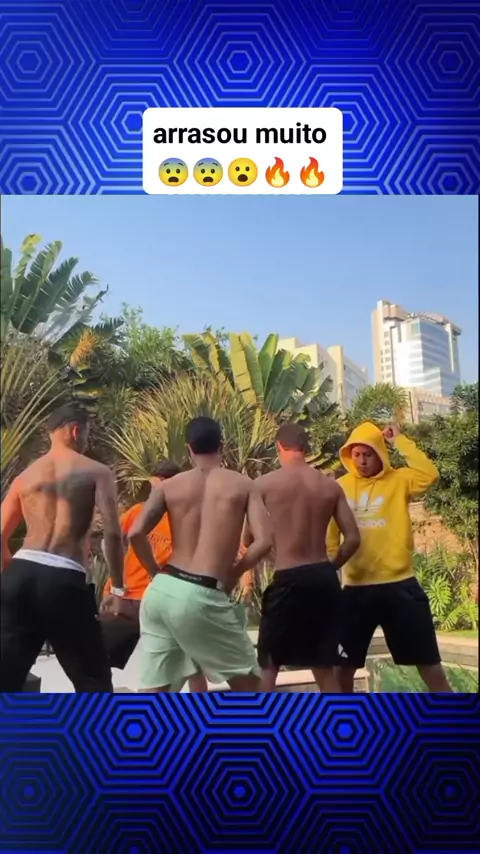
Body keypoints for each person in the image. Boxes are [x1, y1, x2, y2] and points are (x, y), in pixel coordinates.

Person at [128, 416, 272, 693]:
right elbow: (264, 541)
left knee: (155, 692)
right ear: (222, 445)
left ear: (189, 448)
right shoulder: (243, 485)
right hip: (202, 593)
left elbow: (135, 533)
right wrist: (234, 573)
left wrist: (154, 573)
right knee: (255, 690)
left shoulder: (168, 487)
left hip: (161, 592)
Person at [0, 404, 124, 693]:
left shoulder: (25, 477)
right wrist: (118, 589)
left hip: (20, 573)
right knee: (93, 681)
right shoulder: (96, 471)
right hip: (63, 577)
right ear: (76, 430)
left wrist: (14, 575)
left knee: (6, 679)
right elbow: (113, 533)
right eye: (87, 434)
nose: (86, 442)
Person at [327, 421, 452, 693]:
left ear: (380, 454)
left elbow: (429, 474)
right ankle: (343, 717)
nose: (362, 461)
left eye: (368, 454)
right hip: (356, 589)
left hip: (400, 585)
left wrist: (400, 441)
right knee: (341, 669)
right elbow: (331, 533)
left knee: (430, 666)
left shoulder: (399, 480)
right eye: (356, 454)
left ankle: (454, 716)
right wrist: (329, 569)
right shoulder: (340, 487)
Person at [251, 423, 361, 693]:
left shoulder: (263, 485)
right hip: (323, 580)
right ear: (305, 447)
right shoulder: (330, 486)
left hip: (287, 578)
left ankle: (258, 721)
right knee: (323, 668)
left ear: (279, 446)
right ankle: (344, 721)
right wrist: (330, 567)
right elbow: (353, 539)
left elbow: (249, 539)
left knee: (269, 665)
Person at [100, 459, 208, 692]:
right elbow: (110, 540)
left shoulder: (185, 519)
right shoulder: (138, 512)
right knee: (101, 658)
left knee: (190, 661)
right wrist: (114, 583)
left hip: (158, 599)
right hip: (127, 598)